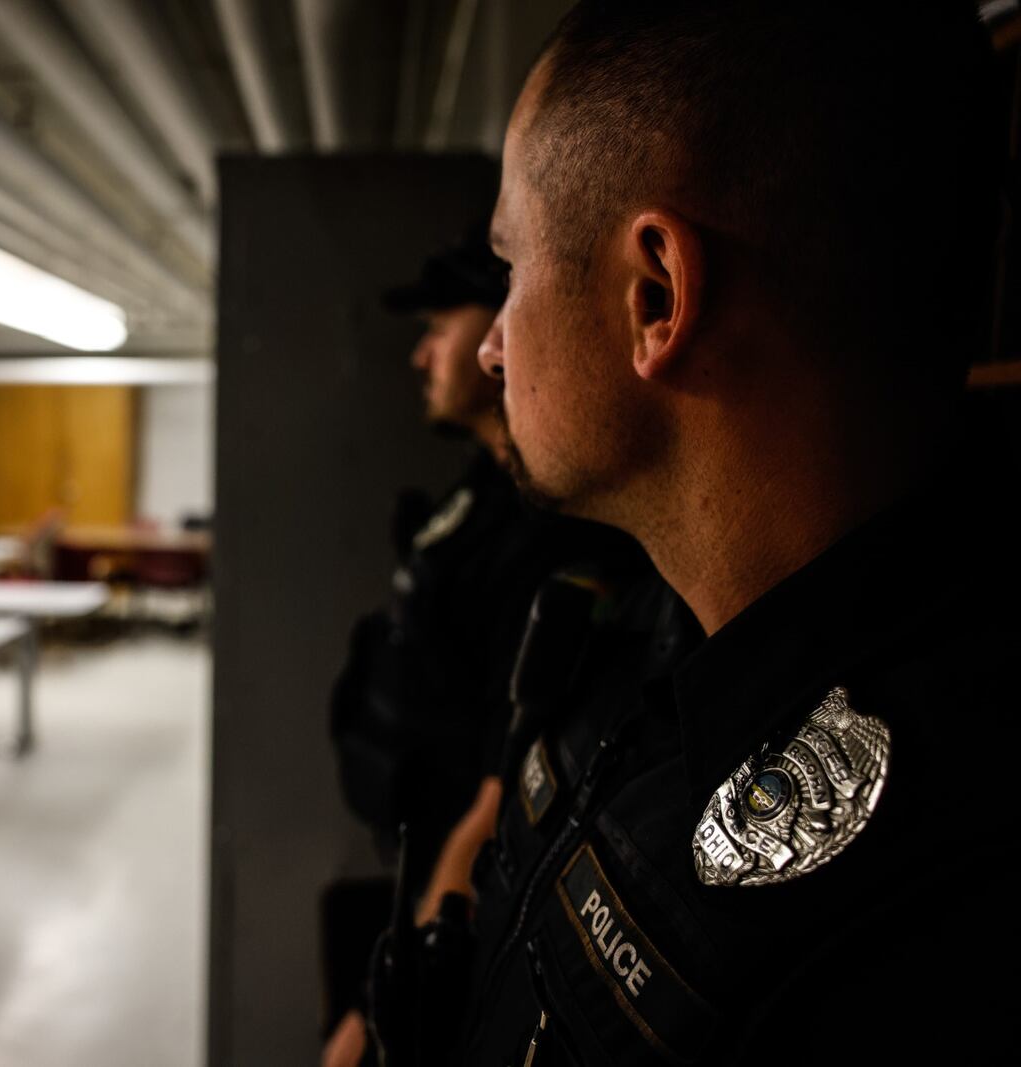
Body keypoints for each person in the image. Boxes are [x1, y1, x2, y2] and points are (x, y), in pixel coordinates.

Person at [398, 1, 1014, 1063]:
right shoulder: (638, 628)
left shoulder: (922, 921)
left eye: (513, 264)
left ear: (655, 295)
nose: (495, 346)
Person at [323, 226, 643, 1067]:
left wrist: (373, 1010)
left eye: (440, 325)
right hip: (416, 852)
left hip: (464, 885)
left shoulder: (545, 529)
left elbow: (502, 790)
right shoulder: (481, 486)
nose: (422, 355)